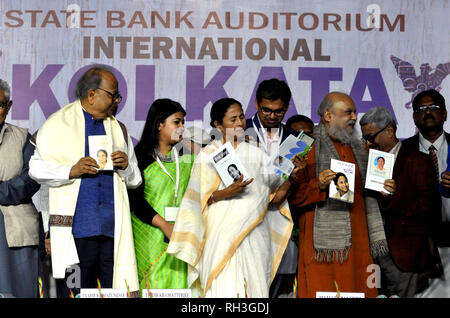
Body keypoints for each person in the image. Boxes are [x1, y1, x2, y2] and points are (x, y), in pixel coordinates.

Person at [167, 97, 304, 298]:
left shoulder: (256, 153)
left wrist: (292, 175)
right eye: (233, 119)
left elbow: (272, 196)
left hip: (255, 233)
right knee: (223, 285)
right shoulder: (207, 154)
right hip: (220, 232)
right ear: (217, 125)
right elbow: (197, 201)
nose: (240, 123)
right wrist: (226, 193)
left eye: (241, 117)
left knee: (254, 285)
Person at [29, 65, 141, 296]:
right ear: (92, 95)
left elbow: (135, 180)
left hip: (112, 234)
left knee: (113, 293)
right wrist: (71, 170)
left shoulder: (119, 129)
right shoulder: (57, 125)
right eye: (113, 95)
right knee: (73, 292)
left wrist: (125, 168)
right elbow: (35, 169)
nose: (117, 101)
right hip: (74, 234)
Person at [288, 92, 394, 298]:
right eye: (348, 112)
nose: (354, 117)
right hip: (322, 249)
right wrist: (316, 184)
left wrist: (385, 189)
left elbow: (371, 194)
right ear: (328, 116)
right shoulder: (299, 144)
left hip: (361, 244)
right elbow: (286, 196)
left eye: (354, 112)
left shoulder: (362, 148)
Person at [360, 106, 442, 297]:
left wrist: (392, 198)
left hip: (404, 252)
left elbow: (428, 206)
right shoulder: (365, 161)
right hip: (371, 251)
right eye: (365, 138)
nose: (368, 143)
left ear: (389, 131)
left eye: (371, 137)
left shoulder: (418, 160)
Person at [128, 99, 195, 290]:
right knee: (152, 285)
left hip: (180, 236)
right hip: (149, 237)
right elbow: (135, 201)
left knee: (180, 287)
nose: (182, 127)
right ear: (159, 124)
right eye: (177, 122)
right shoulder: (139, 158)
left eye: (183, 122)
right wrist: (164, 225)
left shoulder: (186, 158)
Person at [245, 78, 299, 297]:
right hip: (247, 216)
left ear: (286, 108)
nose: (272, 115)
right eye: (266, 110)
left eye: (278, 111)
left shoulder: (295, 139)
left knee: (278, 279)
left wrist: (291, 182)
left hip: (280, 216)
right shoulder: (241, 131)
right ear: (257, 104)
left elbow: (295, 178)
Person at [402, 89, 450, 297]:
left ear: (445, 114)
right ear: (414, 117)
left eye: (433, 108)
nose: (428, 112)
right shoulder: (402, 151)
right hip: (415, 245)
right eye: (421, 109)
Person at [0, 79, 41, 297]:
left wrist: (4, 191)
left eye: (1, 105)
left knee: (20, 289)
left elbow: (32, 177)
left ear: (9, 106)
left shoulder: (23, 137)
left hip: (17, 225)